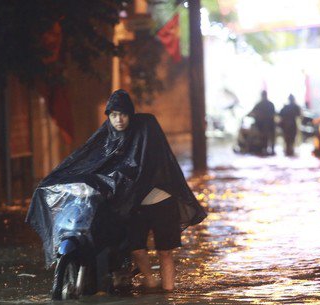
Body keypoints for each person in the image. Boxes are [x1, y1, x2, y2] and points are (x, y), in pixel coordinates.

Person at [26, 89, 207, 292]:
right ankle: (150, 282)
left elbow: (141, 168)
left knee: (165, 252)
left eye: (123, 114)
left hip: (161, 201)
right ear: (109, 117)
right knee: (136, 250)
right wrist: (56, 181)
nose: (118, 119)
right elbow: (84, 160)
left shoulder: (146, 130)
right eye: (113, 115)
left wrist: (111, 182)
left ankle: (168, 295)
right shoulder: (107, 136)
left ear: (130, 114)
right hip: (135, 205)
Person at [248, 90, 276, 155]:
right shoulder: (270, 104)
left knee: (264, 137)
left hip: (263, 125)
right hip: (269, 124)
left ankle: (265, 149)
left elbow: (252, 112)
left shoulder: (259, 104)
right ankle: (269, 150)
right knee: (268, 137)